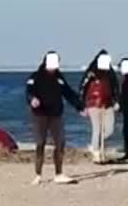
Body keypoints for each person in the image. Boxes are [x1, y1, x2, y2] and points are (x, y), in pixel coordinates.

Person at [25, 51, 83, 185]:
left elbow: (69, 93)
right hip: (40, 115)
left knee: (60, 142)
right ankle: (38, 175)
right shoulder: (35, 76)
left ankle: (59, 173)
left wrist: (80, 107)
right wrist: (32, 99)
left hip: (56, 115)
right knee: (40, 143)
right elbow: (28, 91)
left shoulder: (59, 78)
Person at [79, 49, 120, 164]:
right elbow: (82, 88)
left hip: (108, 104)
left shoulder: (110, 73)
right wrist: (82, 105)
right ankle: (96, 153)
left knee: (109, 129)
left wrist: (116, 101)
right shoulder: (91, 73)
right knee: (96, 130)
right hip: (93, 104)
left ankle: (94, 146)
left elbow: (115, 87)